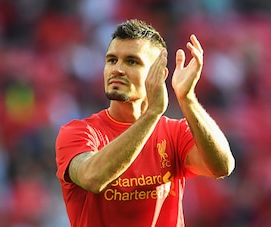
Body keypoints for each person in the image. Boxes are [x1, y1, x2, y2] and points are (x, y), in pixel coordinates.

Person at [55, 19, 235, 227]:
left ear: (159, 75)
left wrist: (187, 98)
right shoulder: (79, 132)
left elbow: (222, 166)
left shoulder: (175, 133)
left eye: (132, 61)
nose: (117, 69)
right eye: (112, 60)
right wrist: (151, 114)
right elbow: (92, 178)